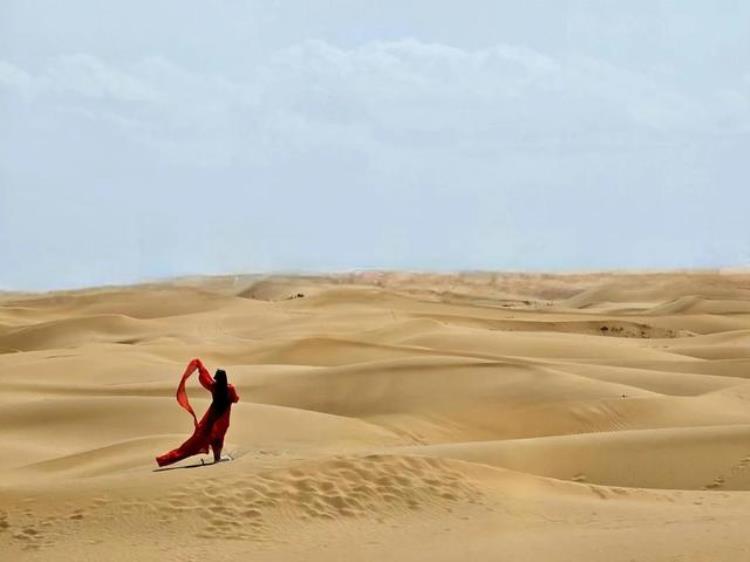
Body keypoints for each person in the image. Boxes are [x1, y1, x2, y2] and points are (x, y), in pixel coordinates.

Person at [155, 358, 239, 467]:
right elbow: (235, 399)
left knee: (205, 437)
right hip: (222, 418)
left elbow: (205, 381)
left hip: (212, 416)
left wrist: (201, 368)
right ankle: (217, 458)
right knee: (217, 437)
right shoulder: (230, 388)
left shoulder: (214, 387)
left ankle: (166, 459)